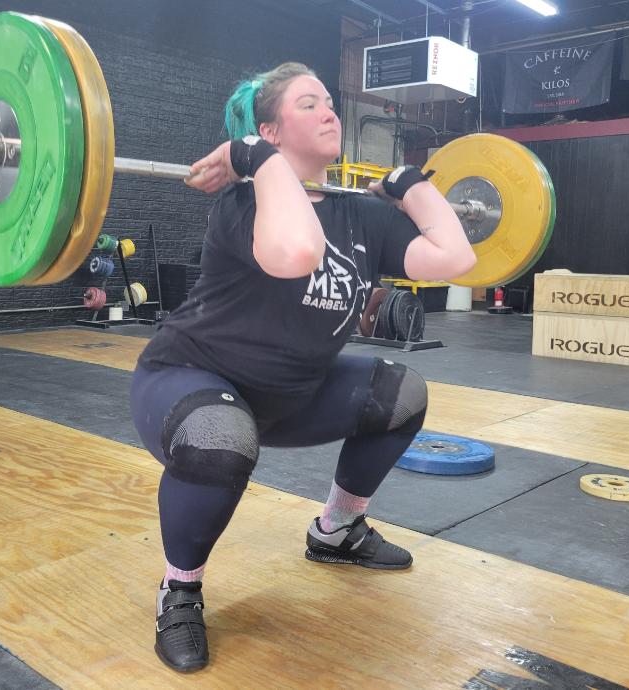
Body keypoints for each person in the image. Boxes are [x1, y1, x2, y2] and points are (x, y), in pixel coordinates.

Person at [130, 62, 476, 673]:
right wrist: (256, 162)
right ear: (269, 131)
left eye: (329, 103)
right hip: (186, 380)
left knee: (402, 392)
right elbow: (296, 251)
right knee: (220, 436)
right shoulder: (242, 202)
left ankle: (337, 531)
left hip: (289, 395)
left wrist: (409, 184)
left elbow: (454, 257)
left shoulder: (363, 215)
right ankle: (179, 590)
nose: (330, 112)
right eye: (309, 104)